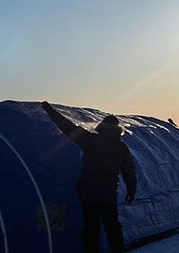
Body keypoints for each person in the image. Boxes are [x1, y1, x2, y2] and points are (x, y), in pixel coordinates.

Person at [41, 101, 137, 253]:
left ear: (101, 127)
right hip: (109, 193)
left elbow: (67, 127)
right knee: (113, 226)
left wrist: (50, 111)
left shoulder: (91, 140)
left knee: (91, 227)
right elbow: (129, 170)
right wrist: (132, 189)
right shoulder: (121, 147)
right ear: (118, 130)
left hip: (90, 191)